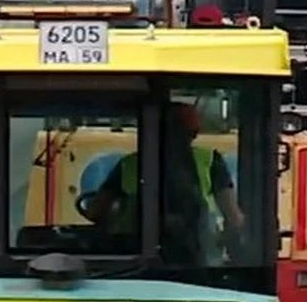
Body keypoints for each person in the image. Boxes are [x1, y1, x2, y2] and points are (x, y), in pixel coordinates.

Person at [83, 101, 244, 263]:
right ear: (194, 133)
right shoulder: (210, 161)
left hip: (132, 264)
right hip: (199, 264)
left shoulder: (130, 164)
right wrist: (218, 243)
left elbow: (95, 212)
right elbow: (234, 219)